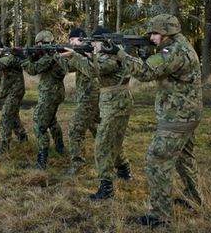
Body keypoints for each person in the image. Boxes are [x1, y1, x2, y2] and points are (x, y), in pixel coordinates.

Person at [103, 14, 203, 228]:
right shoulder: (179, 46)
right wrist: (144, 52)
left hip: (178, 116)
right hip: (185, 113)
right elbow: (154, 66)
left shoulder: (173, 51)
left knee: (156, 160)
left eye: (155, 33)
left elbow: (146, 72)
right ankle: (194, 199)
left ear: (167, 33)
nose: (152, 37)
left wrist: (119, 53)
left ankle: (160, 215)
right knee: (184, 158)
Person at [59, 26, 133, 200]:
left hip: (116, 102)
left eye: (96, 42)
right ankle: (123, 169)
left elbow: (94, 70)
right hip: (110, 102)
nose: (94, 45)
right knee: (107, 139)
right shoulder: (106, 54)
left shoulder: (113, 55)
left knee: (103, 144)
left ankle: (106, 187)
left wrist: (76, 55)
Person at [55, 28, 101, 175]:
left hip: (90, 97)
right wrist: (57, 55)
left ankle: (78, 165)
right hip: (88, 97)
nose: (71, 43)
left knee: (75, 129)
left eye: (72, 40)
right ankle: (115, 159)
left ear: (81, 39)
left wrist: (75, 55)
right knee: (99, 129)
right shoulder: (81, 54)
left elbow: (92, 70)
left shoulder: (92, 52)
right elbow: (69, 67)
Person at [22, 30, 67, 169]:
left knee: (39, 124)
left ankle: (42, 161)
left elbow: (33, 69)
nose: (38, 47)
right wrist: (33, 55)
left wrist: (24, 58)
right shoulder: (53, 54)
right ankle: (60, 147)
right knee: (51, 121)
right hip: (55, 93)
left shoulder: (50, 56)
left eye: (39, 45)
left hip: (50, 94)